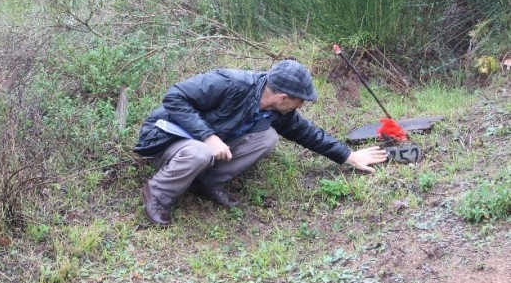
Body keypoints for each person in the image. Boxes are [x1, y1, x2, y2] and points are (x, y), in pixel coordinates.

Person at [134, 60, 388, 227]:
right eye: (300, 101)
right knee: (201, 151)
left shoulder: (278, 111)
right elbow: (174, 97)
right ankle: (158, 193)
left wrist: (348, 156)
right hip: (167, 137)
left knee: (267, 138)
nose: (301, 106)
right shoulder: (230, 82)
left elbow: (307, 133)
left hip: (198, 145)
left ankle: (203, 183)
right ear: (283, 97)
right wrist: (207, 136)